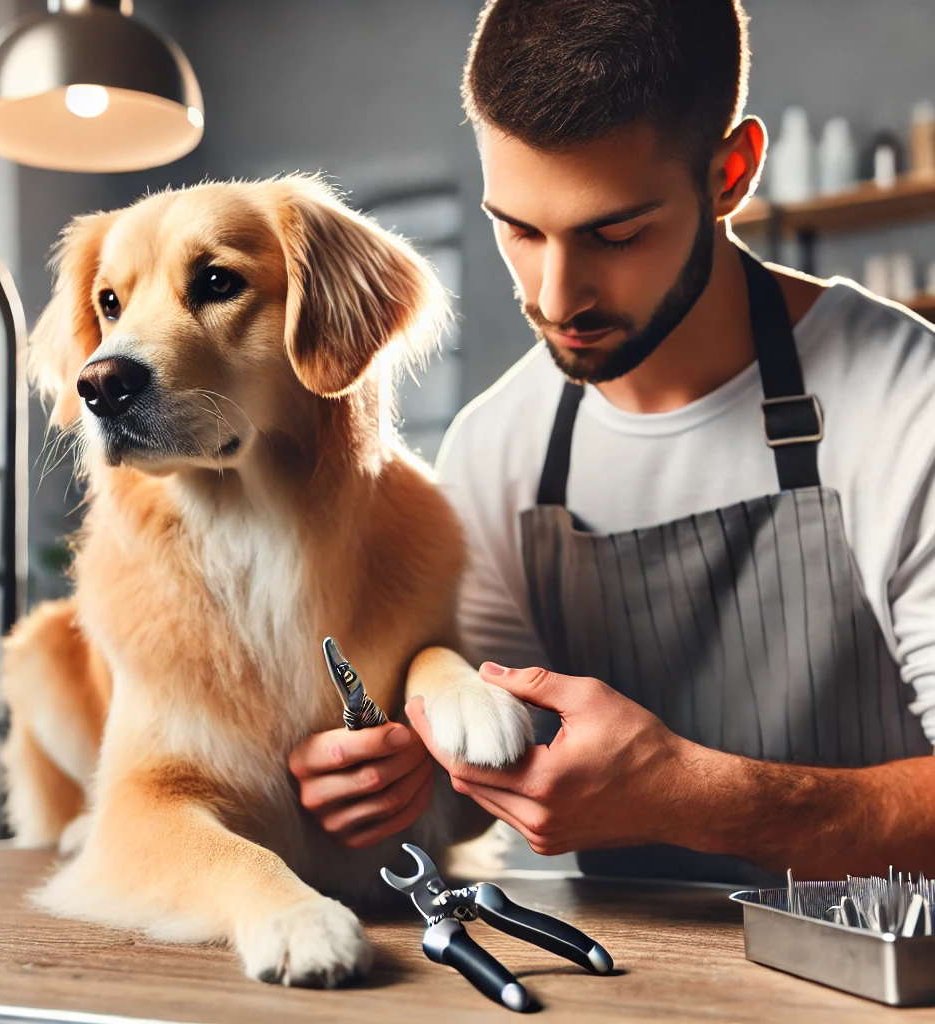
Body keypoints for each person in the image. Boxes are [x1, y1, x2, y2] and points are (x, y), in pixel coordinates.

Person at [289, 0, 935, 882]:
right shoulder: (496, 448)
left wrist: (692, 795)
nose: (557, 297)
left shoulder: (907, 402)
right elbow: (479, 791)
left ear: (729, 174)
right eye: (517, 229)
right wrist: (394, 787)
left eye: (617, 233)